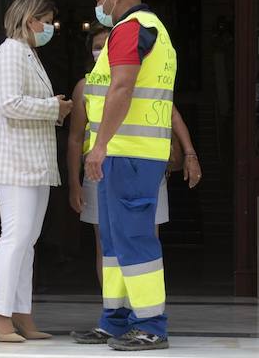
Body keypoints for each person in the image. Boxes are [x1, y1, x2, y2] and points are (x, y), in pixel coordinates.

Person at [72, 0, 178, 351]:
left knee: (133, 238)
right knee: (115, 241)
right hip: (127, 153)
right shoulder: (148, 30)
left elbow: (122, 87)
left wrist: (99, 146)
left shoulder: (132, 29)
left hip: (129, 153)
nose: (97, 6)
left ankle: (150, 324)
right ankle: (114, 320)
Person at [68, 28, 200, 288]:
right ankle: (114, 306)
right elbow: (74, 139)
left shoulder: (143, 78)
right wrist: (74, 183)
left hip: (144, 168)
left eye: (107, 45)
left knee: (146, 240)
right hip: (99, 170)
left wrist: (190, 153)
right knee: (106, 245)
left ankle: (142, 305)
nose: (102, 51)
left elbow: (173, 116)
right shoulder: (85, 86)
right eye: (97, 46)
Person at [0, 0, 73, 342]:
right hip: (14, 162)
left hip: (34, 162)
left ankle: (21, 312)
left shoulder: (28, 53)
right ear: (30, 19)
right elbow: (9, 104)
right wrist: (53, 108)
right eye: (46, 21)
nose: (49, 28)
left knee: (28, 241)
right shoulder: (10, 52)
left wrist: (54, 109)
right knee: (15, 237)